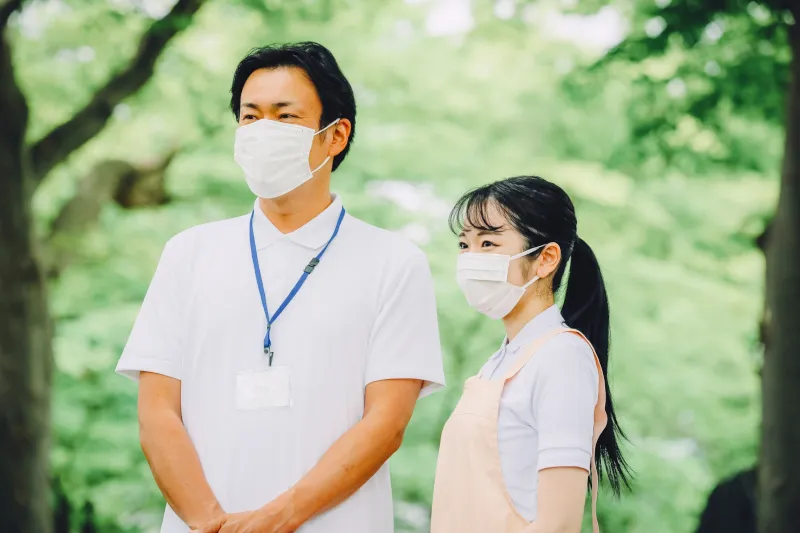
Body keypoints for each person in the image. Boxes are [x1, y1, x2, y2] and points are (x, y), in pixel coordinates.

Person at [115, 42, 445, 533]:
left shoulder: (393, 262)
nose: (263, 131)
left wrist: (277, 519)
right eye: (250, 117)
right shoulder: (189, 253)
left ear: (335, 136)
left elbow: (386, 424)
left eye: (285, 116)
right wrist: (210, 523)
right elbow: (158, 412)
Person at [430, 176, 629, 533]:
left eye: (488, 242)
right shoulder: (498, 363)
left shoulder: (562, 357)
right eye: (464, 245)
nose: (470, 259)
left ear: (546, 259)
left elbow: (560, 524)